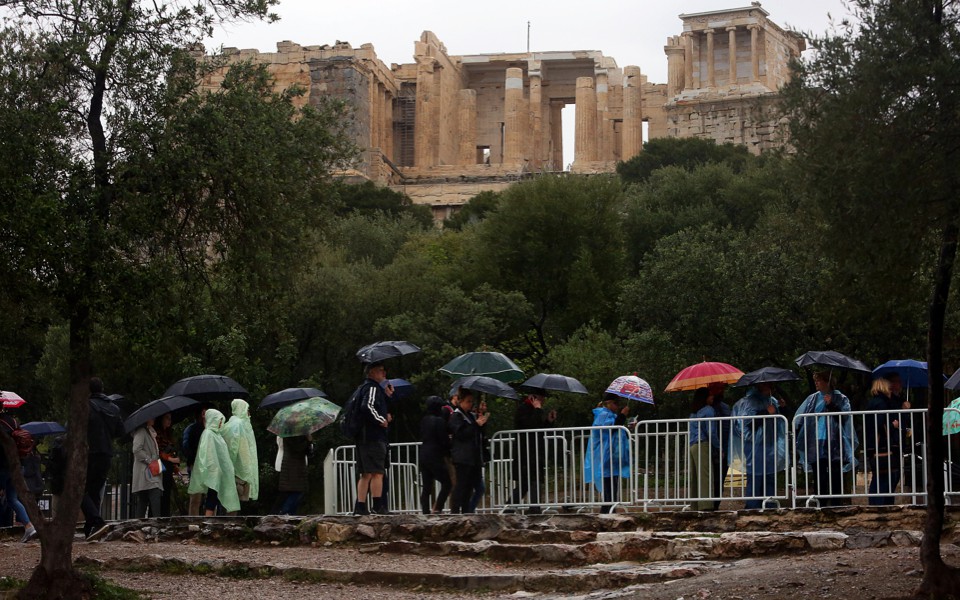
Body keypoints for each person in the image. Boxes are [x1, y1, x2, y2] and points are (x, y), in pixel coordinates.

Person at [794, 371, 858, 507]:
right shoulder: (812, 399)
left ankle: (836, 503)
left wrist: (831, 405)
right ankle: (820, 503)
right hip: (816, 439)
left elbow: (845, 417)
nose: (816, 383)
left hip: (835, 440)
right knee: (819, 474)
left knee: (835, 473)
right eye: (815, 380)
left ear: (827, 381)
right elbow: (801, 417)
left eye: (819, 380)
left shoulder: (841, 398)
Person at [731, 382, 787, 509]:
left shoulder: (772, 400)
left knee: (770, 474)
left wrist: (782, 408)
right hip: (754, 445)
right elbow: (746, 424)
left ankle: (770, 503)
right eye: (768, 385)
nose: (771, 387)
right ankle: (753, 505)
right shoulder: (749, 402)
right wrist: (766, 412)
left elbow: (780, 420)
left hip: (770, 443)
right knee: (756, 474)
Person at [82, 377, 123, 539]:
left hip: (89, 453)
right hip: (106, 453)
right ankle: (90, 530)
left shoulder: (86, 406)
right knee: (94, 492)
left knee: (80, 490)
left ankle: (97, 522)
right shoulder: (113, 408)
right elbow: (120, 431)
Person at [350, 361, 394, 516]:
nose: (384, 374)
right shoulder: (373, 388)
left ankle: (360, 506)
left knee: (366, 473)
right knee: (377, 472)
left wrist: (388, 396)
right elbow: (367, 406)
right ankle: (378, 505)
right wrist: (380, 419)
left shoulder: (363, 388)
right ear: (372, 372)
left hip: (363, 437)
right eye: (381, 371)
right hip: (373, 437)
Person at [584, 393, 631, 513]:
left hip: (611, 457)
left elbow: (618, 432)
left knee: (613, 485)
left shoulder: (611, 415)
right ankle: (607, 511)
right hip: (604, 457)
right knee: (608, 486)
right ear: (608, 403)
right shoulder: (603, 415)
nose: (617, 406)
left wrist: (628, 427)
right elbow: (611, 429)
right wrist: (622, 415)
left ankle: (610, 509)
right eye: (616, 403)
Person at [186, 409, 240, 516]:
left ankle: (211, 520)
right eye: (218, 420)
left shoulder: (216, 434)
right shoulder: (209, 434)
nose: (220, 423)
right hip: (213, 472)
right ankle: (208, 521)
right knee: (212, 497)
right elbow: (208, 455)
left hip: (219, 472)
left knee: (214, 497)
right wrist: (214, 469)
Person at [511, 391, 556, 513]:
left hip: (535, 451)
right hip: (525, 452)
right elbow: (530, 426)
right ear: (533, 397)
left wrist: (548, 421)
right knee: (529, 481)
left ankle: (512, 509)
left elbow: (539, 430)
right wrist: (537, 410)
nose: (543, 401)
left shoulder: (534, 410)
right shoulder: (523, 409)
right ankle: (533, 509)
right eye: (541, 398)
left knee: (529, 482)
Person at [865, 377, 903, 505]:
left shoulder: (873, 402)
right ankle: (881, 505)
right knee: (886, 477)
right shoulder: (882, 403)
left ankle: (878, 504)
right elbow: (880, 424)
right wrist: (893, 426)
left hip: (873, 446)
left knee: (880, 476)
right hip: (882, 447)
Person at [449, 388, 488, 513]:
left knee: (470, 487)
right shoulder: (456, 416)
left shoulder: (471, 416)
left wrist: (481, 423)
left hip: (473, 457)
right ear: (460, 401)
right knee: (461, 486)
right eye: (468, 401)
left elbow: (477, 433)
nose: (470, 404)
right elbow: (461, 434)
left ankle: (467, 511)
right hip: (462, 456)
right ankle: (455, 511)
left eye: (472, 402)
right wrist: (475, 425)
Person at [0, 409, 37, 542]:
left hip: (3, 467)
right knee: (12, 499)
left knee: (7, 498)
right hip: (17, 465)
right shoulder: (14, 422)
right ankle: (28, 526)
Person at [222, 398, 259, 512]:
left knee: (234, 501)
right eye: (247, 409)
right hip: (238, 470)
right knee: (234, 500)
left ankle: (231, 525)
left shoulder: (234, 424)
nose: (249, 414)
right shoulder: (238, 425)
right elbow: (234, 448)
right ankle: (231, 526)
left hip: (237, 469)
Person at [419, 396, 452, 514]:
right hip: (435, 455)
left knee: (427, 485)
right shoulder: (439, 421)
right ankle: (438, 507)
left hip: (423, 454)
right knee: (447, 483)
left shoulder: (424, 420)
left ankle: (425, 511)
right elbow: (443, 440)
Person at [688, 388, 717, 511]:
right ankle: (706, 505)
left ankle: (695, 505)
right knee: (705, 475)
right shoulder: (709, 410)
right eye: (710, 395)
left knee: (694, 476)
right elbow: (711, 432)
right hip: (702, 444)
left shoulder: (694, 412)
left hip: (692, 445)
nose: (712, 398)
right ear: (705, 397)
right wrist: (718, 446)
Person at [131, 417, 163, 518]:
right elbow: (136, 450)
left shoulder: (150, 432)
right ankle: (156, 524)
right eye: (151, 417)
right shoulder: (141, 431)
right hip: (146, 472)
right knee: (154, 495)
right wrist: (149, 460)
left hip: (151, 470)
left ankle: (140, 525)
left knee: (144, 500)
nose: (154, 418)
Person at [707, 383, 732, 510]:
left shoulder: (725, 408)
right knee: (713, 477)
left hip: (722, 448)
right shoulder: (708, 409)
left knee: (719, 478)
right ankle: (711, 503)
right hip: (714, 447)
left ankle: (715, 504)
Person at [276, 434, 311, 515]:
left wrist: (309, 441)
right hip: (291, 466)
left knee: (296, 491)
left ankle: (289, 514)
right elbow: (298, 448)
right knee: (296, 491)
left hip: (296, 466)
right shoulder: (289, 433)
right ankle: (284, 512)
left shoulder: (297, 433)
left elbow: (309, 452)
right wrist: (308, 440)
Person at [155, 412, 181, 517]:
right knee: (161, 494)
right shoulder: (157, 434)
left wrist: (175, 466)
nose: (169, 421)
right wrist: (170, 459)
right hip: (160, 467)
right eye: (167, 418)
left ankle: (165, 516)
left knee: (166, 495)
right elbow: (157, 452)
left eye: (170, 419)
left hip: (168, 467)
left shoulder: (168, 434)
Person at [181, 406, 206, 516]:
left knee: (206, 497)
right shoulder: (193, 429)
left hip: (204, 465)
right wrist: (193, 458)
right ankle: (193, 519)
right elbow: (186, 447)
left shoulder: (209, 429)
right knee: (196, 496)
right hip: (196, 464)